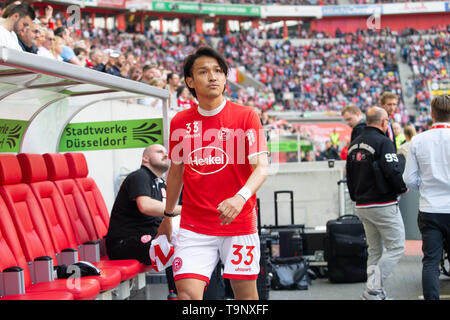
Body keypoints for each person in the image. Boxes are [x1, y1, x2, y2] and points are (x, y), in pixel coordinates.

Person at [156, 47, 269, 300]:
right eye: (204, 72)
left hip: (239, 223)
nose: (213, 77)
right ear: (190, 81)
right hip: (194, 226)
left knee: (246, 296)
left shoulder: (247, 116)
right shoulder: (179, 122)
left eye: (218, 71)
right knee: (186, 295)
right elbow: (176, 173)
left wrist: (239, 198)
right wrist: (167, 216)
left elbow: (262, 167)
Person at [346, 106, 407, 300]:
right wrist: (402, 188)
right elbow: (392, 170)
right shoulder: (384, 142)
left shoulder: (354, 143)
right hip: (382, 203)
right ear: (383, 122)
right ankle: (373, 289)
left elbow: (348, 176)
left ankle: (375, 293)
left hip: (362, 205)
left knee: (374, 250)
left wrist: (356, 197)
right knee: (396, 246)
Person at [106, 144, 181, 295]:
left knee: (190, 241)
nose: (165, 155)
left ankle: (181, 295)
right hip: (125, 244)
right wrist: (183, 210)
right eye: (160, 152)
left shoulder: (160, 183)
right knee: (179, 249)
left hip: (145, 240)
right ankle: (179, 296)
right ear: (145, 158)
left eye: (166, 152)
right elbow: (145, 206)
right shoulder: (139, 176)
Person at [403, 95, 450, 300]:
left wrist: (425, 186)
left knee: (430, 261)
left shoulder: (418, 140)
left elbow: (408, 179)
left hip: (430, 208)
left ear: (432, 114)